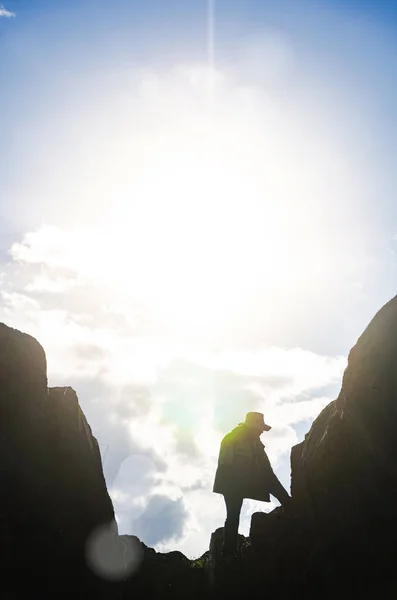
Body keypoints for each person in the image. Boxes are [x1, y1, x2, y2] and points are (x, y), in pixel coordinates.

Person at [213, 412, 291, 558]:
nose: (262, 431)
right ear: (253, 426)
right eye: (260, 427)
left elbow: (267, 471)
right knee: (233, 516)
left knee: (232, 516)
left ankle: (228, 552)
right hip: (232, 484)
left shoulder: (254, 442)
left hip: (240, 482)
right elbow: (226, 464)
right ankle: (228, 553)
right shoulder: (235, 438)